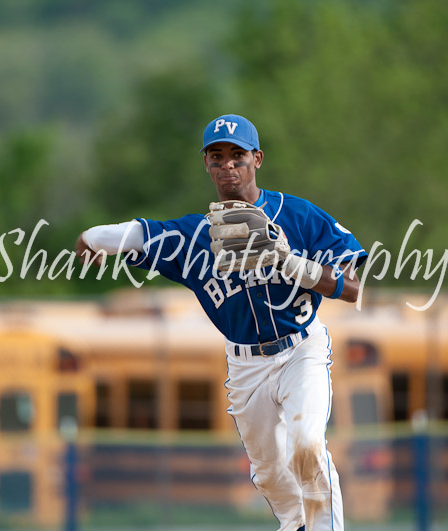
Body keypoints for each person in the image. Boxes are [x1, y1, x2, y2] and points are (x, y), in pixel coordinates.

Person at [76, 114, 367, 531]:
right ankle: (297, 524)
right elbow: (140, 233)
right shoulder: (195, 236)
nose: (228, 165)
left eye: (238, 156)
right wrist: (90, 237)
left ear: (257, 159)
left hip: (302, 349)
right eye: (217, 157)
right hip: (246, 365)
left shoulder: (298, 216)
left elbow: (353, 287)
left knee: (307, 446)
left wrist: (288, 262)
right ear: (207, 166)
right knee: (268, 472)